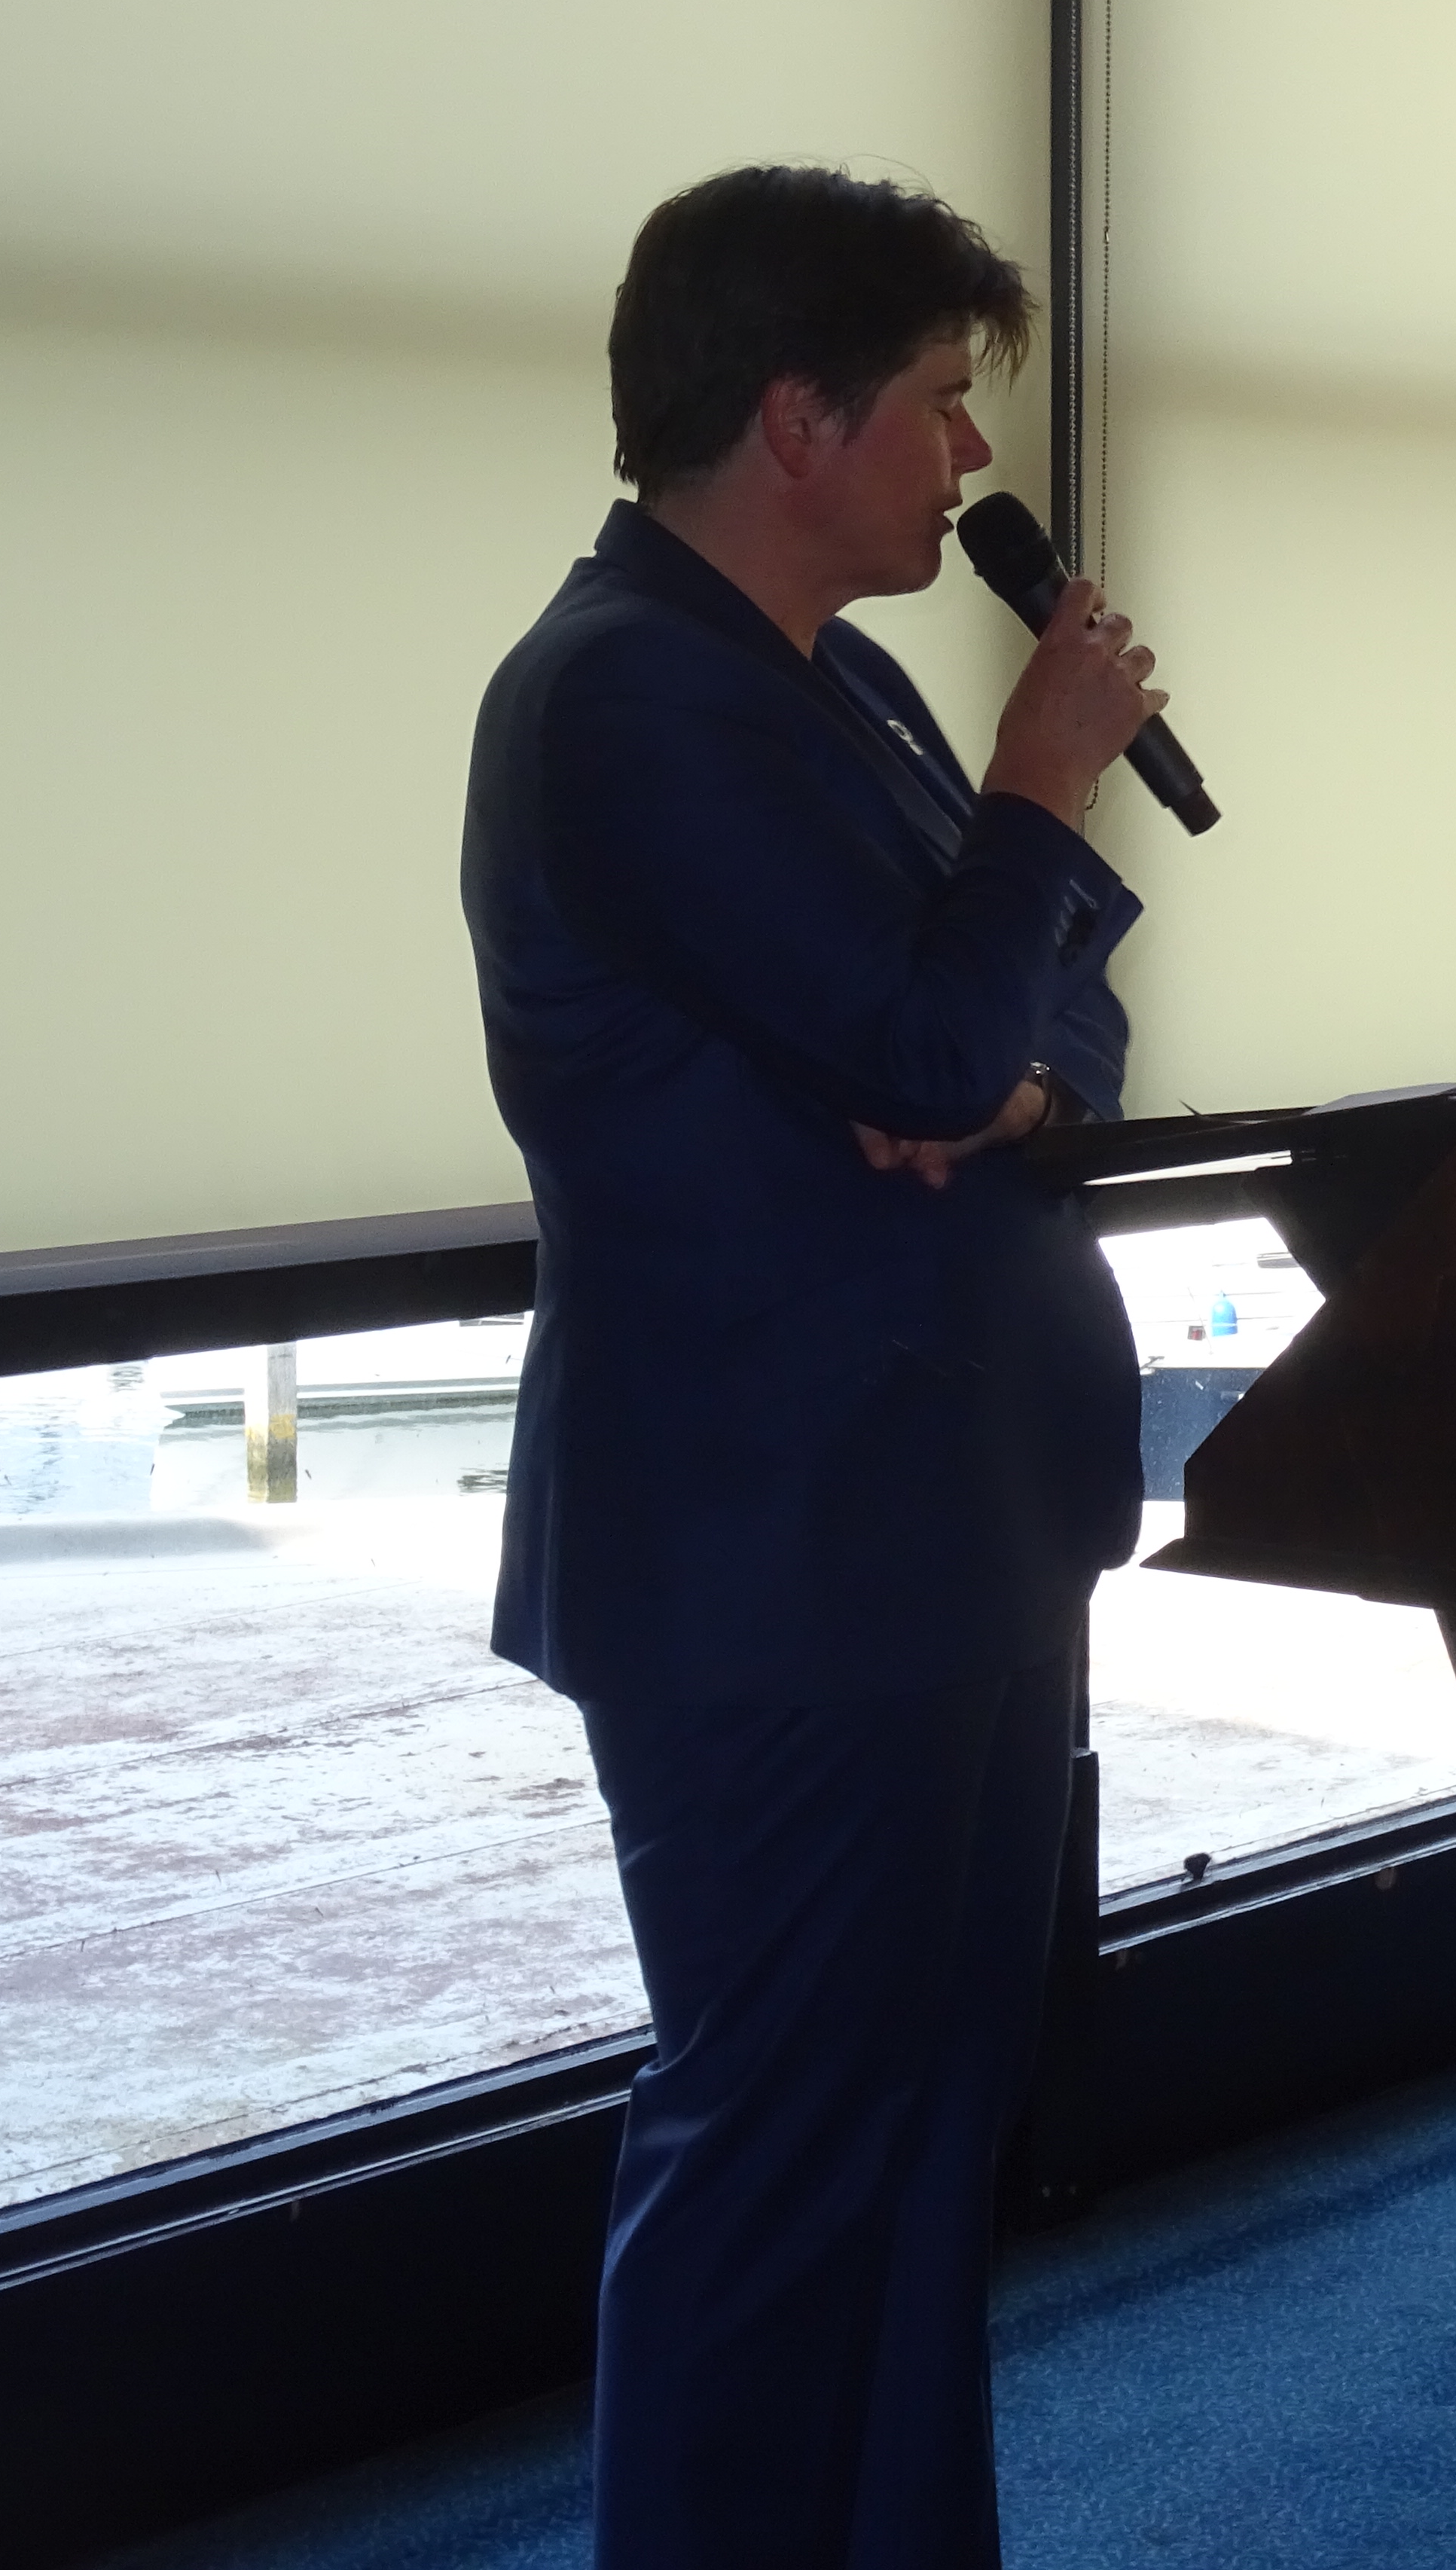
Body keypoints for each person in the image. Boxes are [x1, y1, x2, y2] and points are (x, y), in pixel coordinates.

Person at [459, 164, 1165, 2568]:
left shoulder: (831, 685)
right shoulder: (621, 699)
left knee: (928, 2129)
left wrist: (1004, 1072)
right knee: (781, 2148)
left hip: (946, 1524)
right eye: (942, 404)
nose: (971, 461)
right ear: (795, 416)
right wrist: (1037, 791)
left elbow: (1045, 1017)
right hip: (775, 1558)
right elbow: (936, 1020)